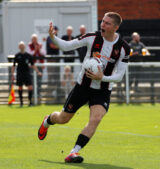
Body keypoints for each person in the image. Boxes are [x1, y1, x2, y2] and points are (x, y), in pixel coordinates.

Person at [38, 12, 130, 163]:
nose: (102, 25)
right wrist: (53, 37)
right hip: (83, 87)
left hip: (102, 90)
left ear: (115, 27)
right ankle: (48, 120)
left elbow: (120, 76)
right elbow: (67, 46)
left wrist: (103, 78)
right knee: (63, 118)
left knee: (96, 118)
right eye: (102, 22)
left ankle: (73, 153)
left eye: (107, 23)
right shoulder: (92, 37)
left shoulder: (124, 48)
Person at [12, 41, 42, 107]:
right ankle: (21, 102)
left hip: (27, 73)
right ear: (19, 47)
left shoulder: (28, 56)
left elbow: (33, 64)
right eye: (20, 45)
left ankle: (30, 102)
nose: (22, 47)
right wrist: (12, 75)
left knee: (30, 87)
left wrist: (38, 72)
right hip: (20, 73)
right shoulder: (17, 56)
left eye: (23, 45)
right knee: (20, 87)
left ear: (25, 46)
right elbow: (13, 65)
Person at [27, 34, 45, 100]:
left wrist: (39, 49)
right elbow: (29, 54)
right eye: (33, 39)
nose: (34, 40)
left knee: (39, 81)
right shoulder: (29, 45)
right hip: (32, 66)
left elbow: (43, 53)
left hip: (39, 65)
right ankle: (33, 94)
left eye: (35, 39)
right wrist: (35, 50)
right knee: (32, 80)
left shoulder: (40, 45)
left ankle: (39, 93)